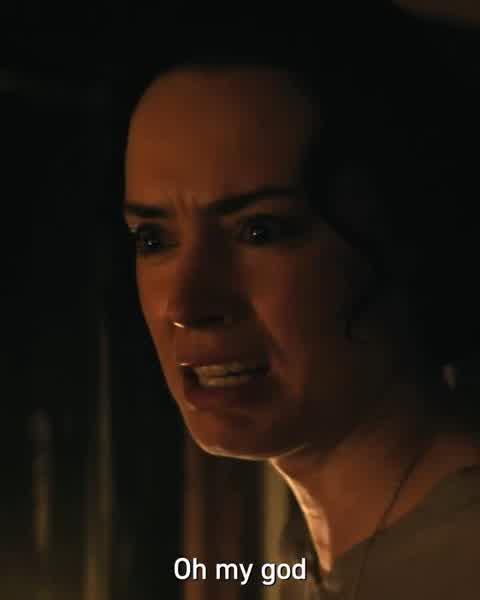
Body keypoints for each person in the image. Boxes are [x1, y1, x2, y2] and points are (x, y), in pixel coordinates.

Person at [120, 6, 480, 599]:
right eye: (154, 239)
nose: (187, 303)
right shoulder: (308, 555)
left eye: (259, 230)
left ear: (406, 232)